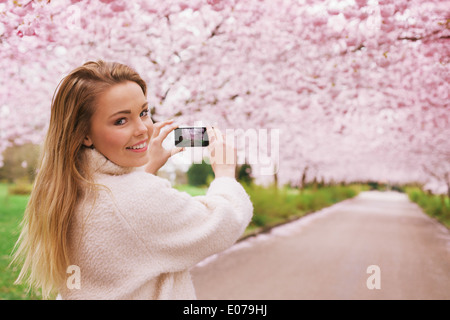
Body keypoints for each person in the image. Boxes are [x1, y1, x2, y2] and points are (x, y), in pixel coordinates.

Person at [12, 60, 253, 299]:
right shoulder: (138, 199)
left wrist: (146, 170)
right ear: (84, 134)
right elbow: (224, 223)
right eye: (121, 120)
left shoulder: (69, 187)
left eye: (143, 112)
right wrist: (225, 173)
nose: (143, 129)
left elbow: (124, 223)